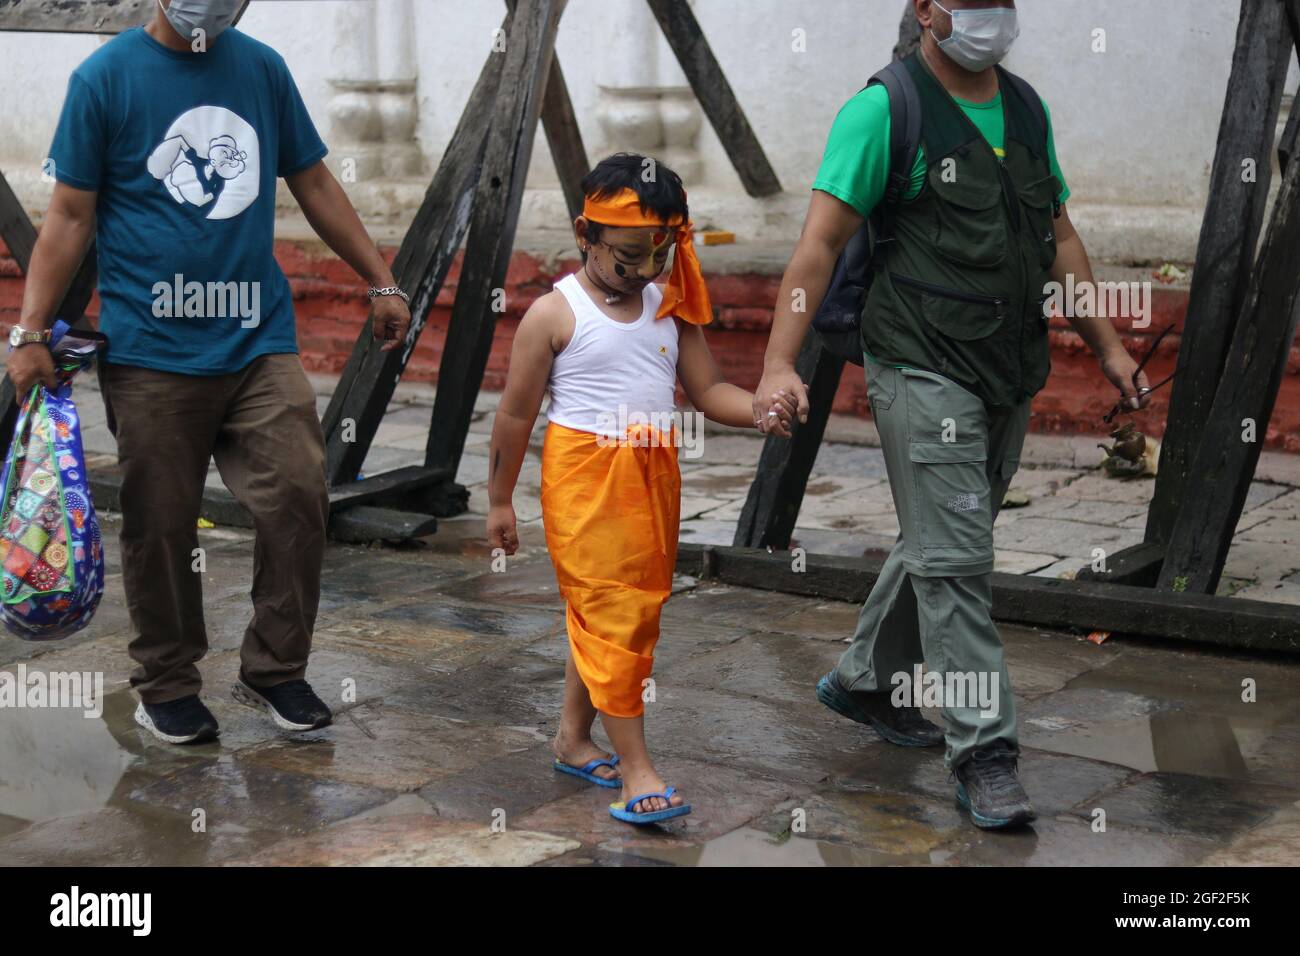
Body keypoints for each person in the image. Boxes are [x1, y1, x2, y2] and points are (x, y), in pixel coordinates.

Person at [753, 0, 1152, 828]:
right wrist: (778, 362)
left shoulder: (1026, 106)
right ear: (928, 9)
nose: (993, 17)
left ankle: (866, 678)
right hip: (921, 364)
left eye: (1004, 2)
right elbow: (818, 246)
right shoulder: (882, 110)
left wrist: (1109, 348)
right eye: (974, 3)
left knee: (944, 540)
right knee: (961, 562)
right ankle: (985, 754)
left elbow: (1059, 235)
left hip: (1007, 367)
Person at [6, 0, 412, 744]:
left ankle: (276, 670)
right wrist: (29, 329)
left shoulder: (260, 69)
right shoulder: (105, 79)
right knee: (161, 524)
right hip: (151, 350)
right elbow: (68, 215)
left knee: (297, 493)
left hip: (258, 340)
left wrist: (379, 279)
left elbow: (314, 181)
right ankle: (167, 680)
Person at [486, 153, 795, 825]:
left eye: (660, 253)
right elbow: (514, 415)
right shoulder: (552, 314)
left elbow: (709, 391)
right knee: (615, 618)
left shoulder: (669, 305)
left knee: (617, 616)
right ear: (584, 234)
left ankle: (572, 736)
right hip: (584, 480)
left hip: (654, 476)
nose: (646, 270)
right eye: (628, 255)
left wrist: (762, 411)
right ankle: (637, 769)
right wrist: (501, 499)